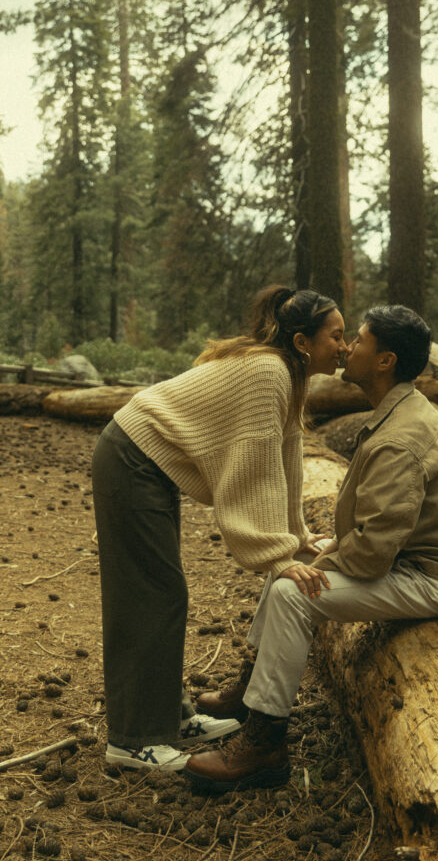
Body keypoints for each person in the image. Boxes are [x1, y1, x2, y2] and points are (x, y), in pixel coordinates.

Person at [186, 304, 438, 792]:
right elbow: (382, 531)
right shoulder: (397, 412)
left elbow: (371, 556)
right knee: (291, 562)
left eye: (358, 339)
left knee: (291, 591)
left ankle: (264, 743)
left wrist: (323, 560)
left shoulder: (402, 438)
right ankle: (250, 687)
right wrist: (315, 551)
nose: (346, 347)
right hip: (407, 559)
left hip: (431, 578)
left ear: (384, 361)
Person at [91, 286, 347, 770]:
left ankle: (168, 715)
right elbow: (254, 467)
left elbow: (284, 458)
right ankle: (132, 741)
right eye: (336, 336)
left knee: (162, 592)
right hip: (130, 458)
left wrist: (295, 536)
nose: (346, 345)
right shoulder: (269, 372)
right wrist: (278, 557)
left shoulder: (289, 376)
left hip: (147, 461)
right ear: (303, 343)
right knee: (149, 595)